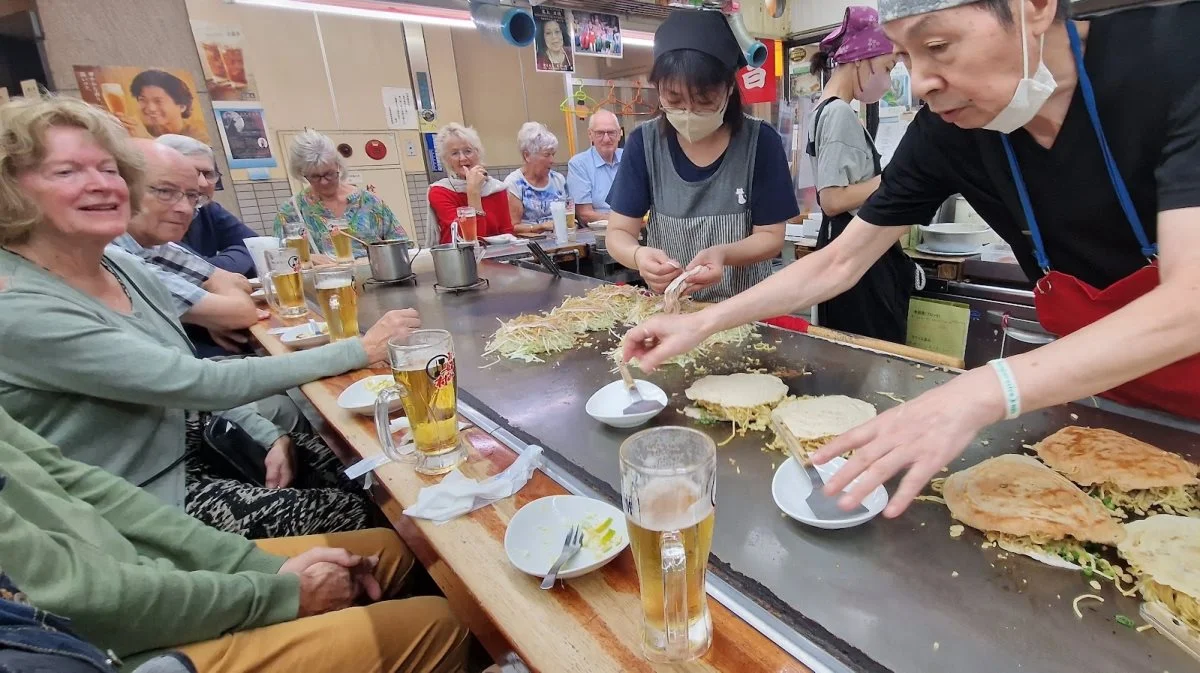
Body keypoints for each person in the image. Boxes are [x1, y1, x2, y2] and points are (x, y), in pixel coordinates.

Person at [625, 0, 1200, 517]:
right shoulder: (949, 130)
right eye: (902, 55)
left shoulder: (1178, 58)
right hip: (1109, 402)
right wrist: (702, 322)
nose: (920, 81)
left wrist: (978, 392)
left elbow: (1189, 300)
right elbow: (838, 262)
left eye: (937, 45)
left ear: (1034, 6)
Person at [0, 95, 423, 537]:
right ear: (11, 188)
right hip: (137, 497)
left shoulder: (120, 264)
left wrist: (264, 430)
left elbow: (191, 380)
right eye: (66, 171)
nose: (101, 185)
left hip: (200, 439)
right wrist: (359, 349)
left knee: (344, 462)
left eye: (108, 170)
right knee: (364, 515)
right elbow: (197, 382)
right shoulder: (20, 305)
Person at [0, 406, 467, 672]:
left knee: (386, 549)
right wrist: (282, 596)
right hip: (106, 651)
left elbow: (78, 481)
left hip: (125, 571)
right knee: (445, 618)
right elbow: (77, 598)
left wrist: (262, 568)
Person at [605, 9, 797, 302]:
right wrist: (638, 254)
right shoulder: (644, 143)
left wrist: (724, 253)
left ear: (730, 88)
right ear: (658, 89)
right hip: (673, 310)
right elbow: (618, 231)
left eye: (704, 100)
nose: (689, 112)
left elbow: (771, 237)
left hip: (743, 310)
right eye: (674, 98)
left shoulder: (760, 143)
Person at [806, 7, 914, 343]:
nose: (887, 78)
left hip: (846, 249)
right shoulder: (838, 112)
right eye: (886, 68)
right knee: (870, 352)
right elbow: (833, 199)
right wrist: (898, 178)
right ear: (860, 60)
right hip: (856, 256)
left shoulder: (823, 107)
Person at [110, 139, 262, 357]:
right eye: (165, 191)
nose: (185, 208)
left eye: (192, 196)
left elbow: (249, 250)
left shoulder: (156, 242)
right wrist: (212, 297)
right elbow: (240, 312)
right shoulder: (116, 256)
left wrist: (211, 288)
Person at [273, 130, 406, 262]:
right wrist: (308, 258)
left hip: (374, 278)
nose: (324, 181)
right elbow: (279, 260)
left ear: (338, 165)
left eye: (329, 173)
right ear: (301, 173)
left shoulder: (369, 203)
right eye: (315, 176)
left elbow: (403, 246)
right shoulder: (290, 212)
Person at [156, 134, 259, 278]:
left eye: (209, 174)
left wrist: (210, 266)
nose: (203, 183)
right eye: (193, 172)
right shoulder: (150, 216)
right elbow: (189, 271)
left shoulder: (207, 209)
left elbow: (256, 247)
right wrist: (230, 261)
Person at [427, 123, 514, 244]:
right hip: (459, 258)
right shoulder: (440, 192)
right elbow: (469, 240)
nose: (462, 158)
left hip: (496, 256)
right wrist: (473, 192)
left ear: (478, 153)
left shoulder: (497, 188)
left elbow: (507, 233)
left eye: (468, 151)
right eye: (454, 153)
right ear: (446, 159)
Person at [504, 122, 568, 235]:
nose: (552, 160)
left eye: (553, 154)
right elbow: (512, 227)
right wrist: (540, 227)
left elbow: (569, 216)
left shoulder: (558, 180)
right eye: (547, 155)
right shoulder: (513, 184)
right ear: (527, 155)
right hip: (530, 246)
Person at [121, 69, 210, 143]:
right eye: (142, 100)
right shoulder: (134, 129)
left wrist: (146, 139)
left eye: (158, 101)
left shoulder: (198, 138)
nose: (150, 108)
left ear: (182, 106)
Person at [567, 110, 624, 225]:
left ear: (619, 134)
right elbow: (584, 214)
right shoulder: (579, 164)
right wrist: (623, 221)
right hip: (598, 234)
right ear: (590, 135)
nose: (607, 139)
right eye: (600, 133)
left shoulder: (629, 157)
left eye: (612, 132)